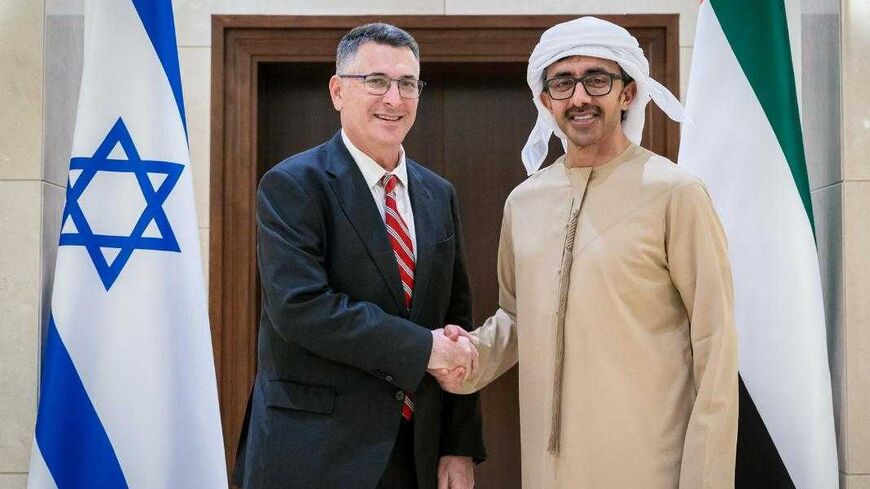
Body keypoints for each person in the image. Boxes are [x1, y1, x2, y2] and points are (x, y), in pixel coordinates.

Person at [431, 16, 738, 489]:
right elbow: (516, 318)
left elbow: (715, 346)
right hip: (545, 470)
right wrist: (469, 357)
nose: (579, 97)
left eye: (597, 79)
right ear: (545, 99)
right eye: (563, 82)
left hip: (650, 467)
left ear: (628, 93)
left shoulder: (677, 194)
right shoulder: (525, 201)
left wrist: (706, 479)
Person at [234, 23, 485, 489]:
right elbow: (302, 309)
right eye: (375, 81)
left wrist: (458, 443)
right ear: (337, 91)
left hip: (416, 453)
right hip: (314, 452)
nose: (394, 98)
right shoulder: (293, 185)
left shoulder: (438, 193)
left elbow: (457, 319)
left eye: (408, 84)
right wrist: (425, 348)